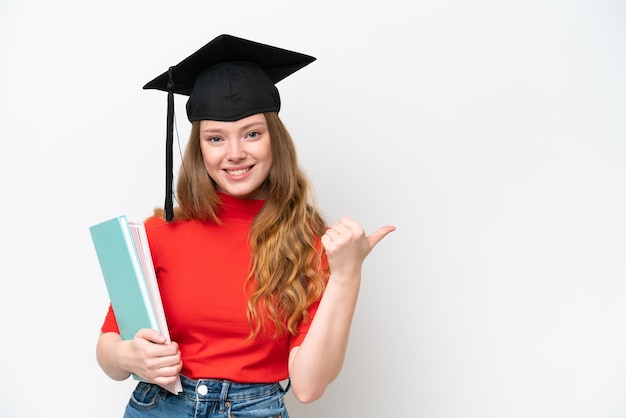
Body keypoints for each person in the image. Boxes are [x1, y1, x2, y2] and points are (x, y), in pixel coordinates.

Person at [96, 34, 395, 418]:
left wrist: (347, 274)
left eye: (252, 133)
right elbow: (108, 351)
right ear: (199, 148)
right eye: (215, 138)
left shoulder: (307, 242)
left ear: (275, 140)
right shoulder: (158, 232)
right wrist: (128, 354)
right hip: (159, 408)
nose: (235, 153)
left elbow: (308, 387)